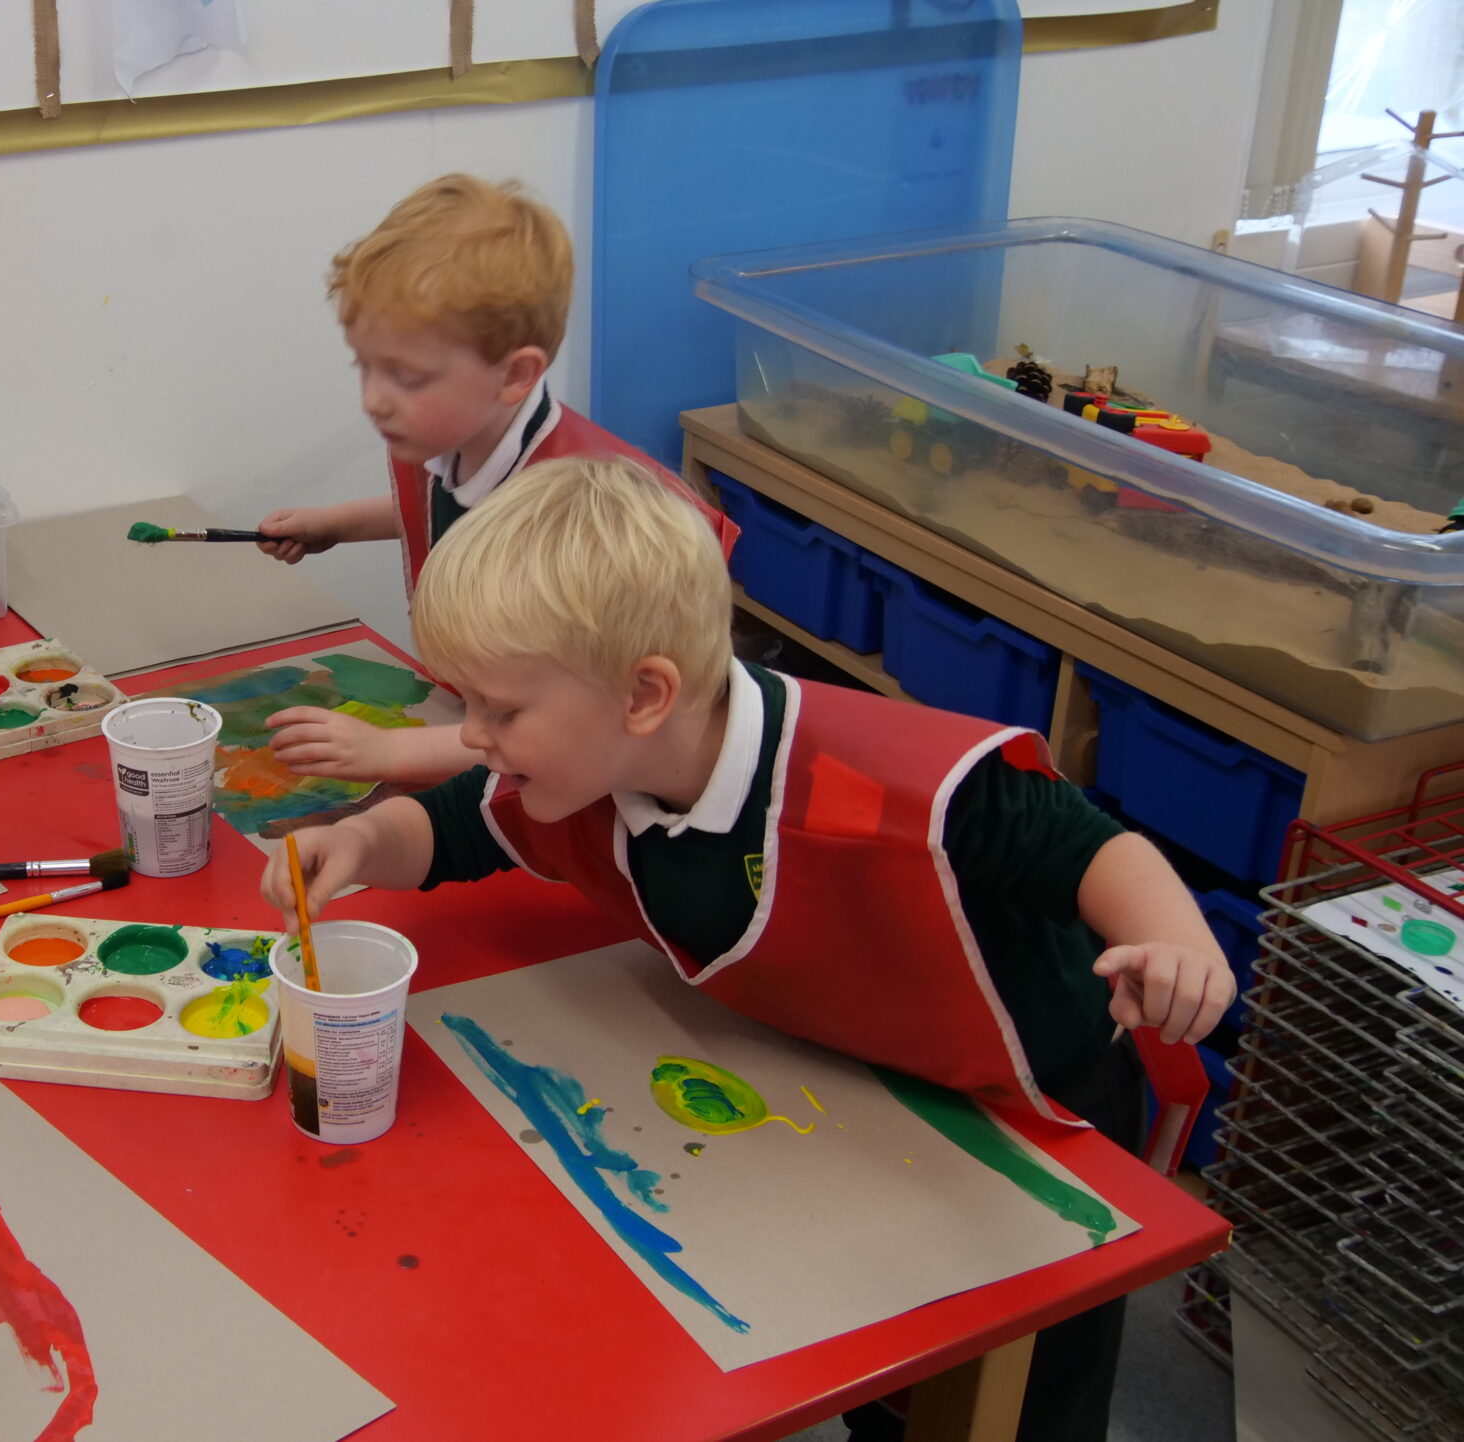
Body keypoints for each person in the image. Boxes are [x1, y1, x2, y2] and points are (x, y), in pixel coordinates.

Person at [263, 456, 1232, 1442]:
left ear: (644, 694)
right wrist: (366, 840)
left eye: (499, 711)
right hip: (873, 1080)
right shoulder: (598, 765)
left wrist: (1171, 940)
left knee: (1021, 1391)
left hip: (1038, 1090)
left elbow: (1084, 845)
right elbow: (458, 826)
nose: (472, 737)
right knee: (890, 1351)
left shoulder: (870, 779)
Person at [254, 175, 739, 788]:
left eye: (406, 376)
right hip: (483, 719)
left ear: (514, 375)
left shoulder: (575, 517)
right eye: (365, 366)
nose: (373, 399)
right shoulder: (440, 437)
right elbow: (452, 505)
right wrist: (336, 526)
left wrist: (391, 752)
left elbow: (567, 727)